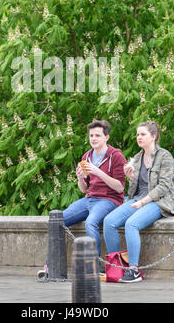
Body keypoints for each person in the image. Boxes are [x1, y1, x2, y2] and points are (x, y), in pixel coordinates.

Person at [37, 119, 126, 279]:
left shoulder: (116, 155)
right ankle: (51, 266)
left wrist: (98, 172)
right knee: (56, 220)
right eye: (91, 135)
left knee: (91, 222)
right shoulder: (87, 156)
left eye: (97, 135)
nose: (93, 139)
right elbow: (85, 189)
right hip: (89, 199)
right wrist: (80, 178)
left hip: (109, 200)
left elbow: (120, 187)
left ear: (106, 137)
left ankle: (93, 267)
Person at [103, 121, 174, 283]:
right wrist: (131, 177)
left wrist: (143, 202)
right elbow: (136, 188)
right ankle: (116, 266)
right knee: (109, 221)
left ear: (153, 137)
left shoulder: (165, 156)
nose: (139, 137)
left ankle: (134, 270)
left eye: (143, 134)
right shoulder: (138, 158)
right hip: (139, 199)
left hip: (160, 202)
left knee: (131, 224)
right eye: (138, 134)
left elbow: (164, 186)